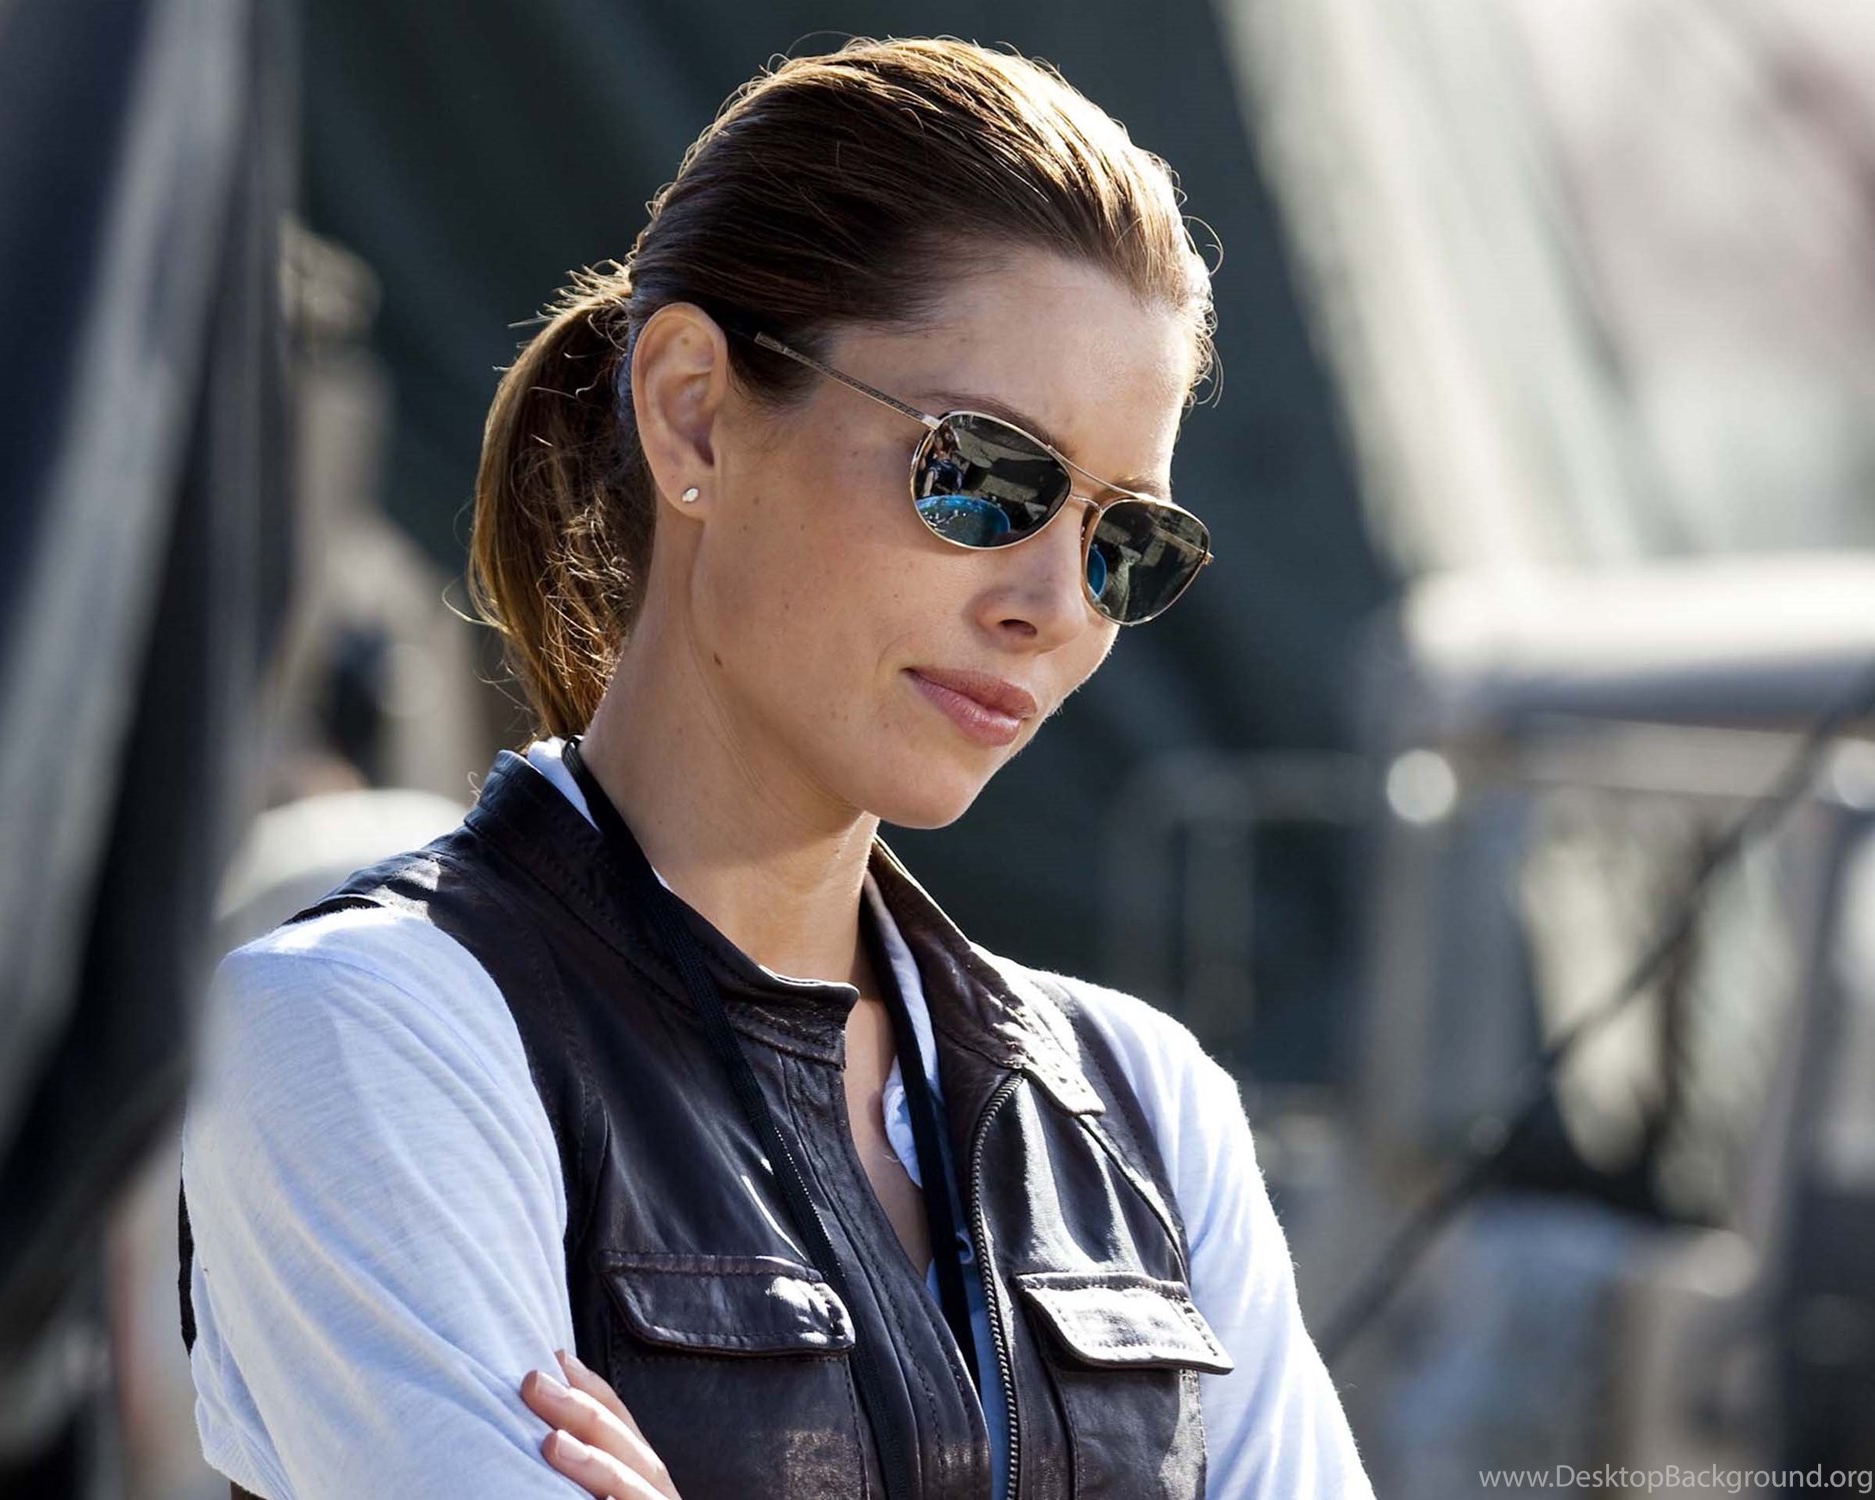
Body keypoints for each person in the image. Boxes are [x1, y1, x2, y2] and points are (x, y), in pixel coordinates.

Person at [178, 35, 1376, 1500]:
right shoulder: (375, 1034)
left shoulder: (1146, 1111)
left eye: (1126, 541)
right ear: (694, 409)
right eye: (985, 476)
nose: (1056, 607)